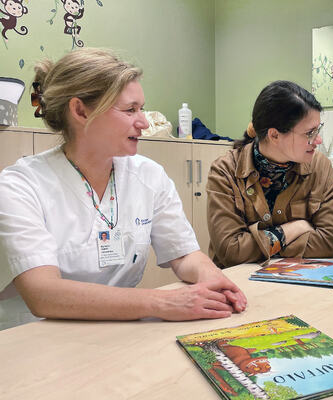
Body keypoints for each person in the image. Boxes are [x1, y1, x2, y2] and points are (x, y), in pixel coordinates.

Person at [0, 48, 246, 331]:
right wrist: (162, 303)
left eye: (141, 108)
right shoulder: (21, 185)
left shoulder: (148, 175)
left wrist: (211, 278)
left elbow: (184, 254)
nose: (144, 122)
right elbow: (43, 294)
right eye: (130, 110)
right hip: (35, 338)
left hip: (119, 331)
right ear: (80, 111)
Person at [206, 80, 333, 268]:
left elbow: (330, 244)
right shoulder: (225, 171)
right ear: (274, 136)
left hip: (296, 282)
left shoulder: (320, 167)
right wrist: (292, 230)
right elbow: (231, 252)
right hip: (236, 285)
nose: (318, 140)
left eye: (318, 130)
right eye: (310, 133)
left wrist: (259, 245)